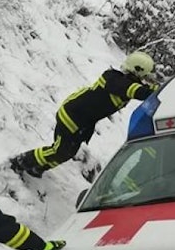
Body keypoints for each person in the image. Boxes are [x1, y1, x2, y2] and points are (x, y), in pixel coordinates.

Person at [9, 52, 159, 178]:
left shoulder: (119, 80)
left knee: (66, 151)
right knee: (61, 151)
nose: (145, 79)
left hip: (80, 119)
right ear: (137, 71)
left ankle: (36, 169)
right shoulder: (115, 80)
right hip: (72, 117)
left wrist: (160, 87)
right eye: (144, 75)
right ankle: (19, 162)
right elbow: (142, 92)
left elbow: (143, 89)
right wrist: (160, 89)